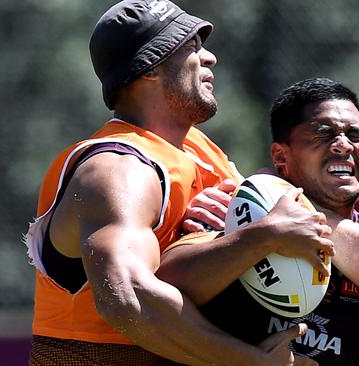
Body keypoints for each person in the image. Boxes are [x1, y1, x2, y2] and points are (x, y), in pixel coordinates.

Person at [23, 1, 332, 365]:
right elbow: (127, 298)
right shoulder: (118, 169)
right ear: (151, 67)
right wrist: (249, 362)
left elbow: (250, 241)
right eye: (192, 47)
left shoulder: (199, 149)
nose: (210, 58)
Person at [159, 77, 359, 365]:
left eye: (355, 134)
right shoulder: (243, 210)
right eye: (323, 134)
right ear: (281, 156)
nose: (342, 145)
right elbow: (161, 287)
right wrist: (264, 236)